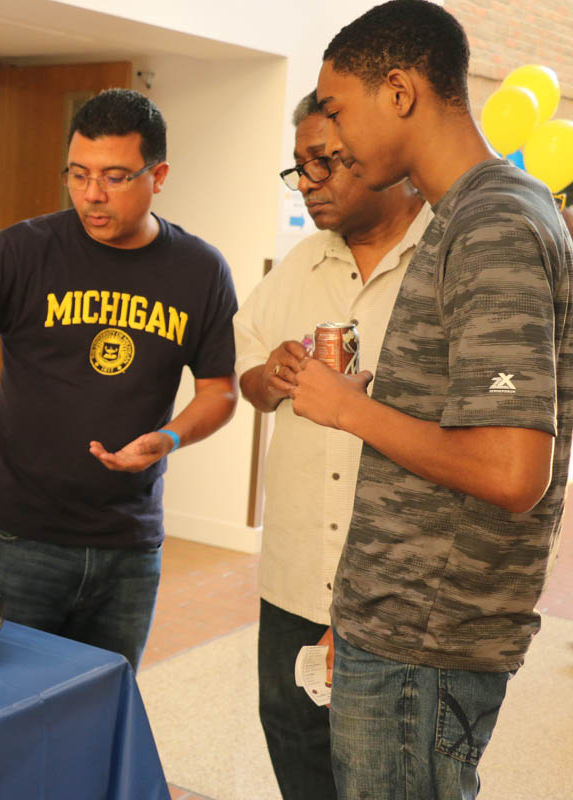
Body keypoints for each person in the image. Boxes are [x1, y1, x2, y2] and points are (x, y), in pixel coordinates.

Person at [0, 88, 239, 671]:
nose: (91, 194)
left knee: (102, 706)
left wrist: (171, 438)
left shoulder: (200, 271)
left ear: (158, 175)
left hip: (129, 549)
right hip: (20, 543)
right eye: (78, 174)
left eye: (114, 177)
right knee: (2, 710)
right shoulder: (27, 251)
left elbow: (219, 391)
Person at [290, 1, 573, 797]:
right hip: (403, 628)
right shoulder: (469, 216)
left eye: (338, 109)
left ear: (402, 92)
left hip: (429, 641)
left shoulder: (493, 223)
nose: (333, 139)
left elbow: (514, 469)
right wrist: (361, 614)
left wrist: (348, 408)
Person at [233, 89, 429, 800]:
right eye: (300, 167)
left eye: (329, 163)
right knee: (296, 750)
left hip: (396, 592)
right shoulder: (301, 264)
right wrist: (272, 374)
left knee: (393, 774)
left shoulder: (445, 262)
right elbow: (246, 377)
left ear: (384, 153)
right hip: (294, 580)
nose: (311, 183)